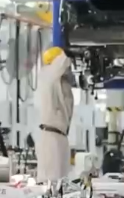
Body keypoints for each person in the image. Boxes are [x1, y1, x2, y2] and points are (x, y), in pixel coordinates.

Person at [36, 47, 75, 181]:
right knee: (51, 179)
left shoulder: (61, 82)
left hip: (61, 136)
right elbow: (61, 62)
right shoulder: (47, 75)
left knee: (62, 181)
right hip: (51, 136)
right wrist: (69, 49)